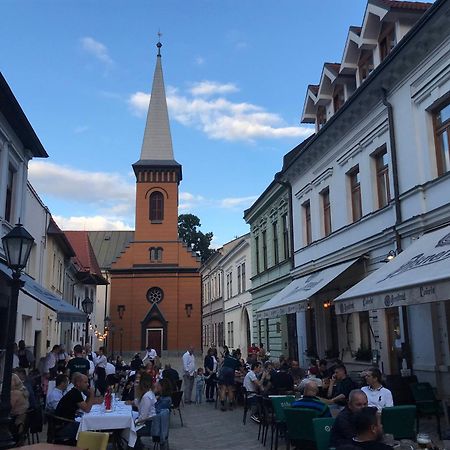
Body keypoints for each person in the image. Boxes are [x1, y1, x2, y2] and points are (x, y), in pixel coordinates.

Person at [55, 372, 102, 443]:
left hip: (64, 423)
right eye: (85, 382)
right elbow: (87, 409)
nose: (88, 384)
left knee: (87, 425)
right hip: (64, 426)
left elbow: (85, 405)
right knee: (88, 428)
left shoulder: (75, 392)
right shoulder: (75, 393)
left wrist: (88, 396)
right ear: (78, 383)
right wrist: (92, 394)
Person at [134, 372, 157, 449]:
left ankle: (135, 446)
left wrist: (135, 422)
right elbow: (138, 404)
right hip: (150, 421)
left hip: (149, 424)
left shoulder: (146, 397)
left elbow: (143, 417)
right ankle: (137, 445)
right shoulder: (148, 393)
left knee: (129, 429)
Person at [10, 373, 30, 445]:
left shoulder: (15, 393)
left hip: (15, 422)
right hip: (23, 421)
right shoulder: (23, 390)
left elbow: (9, 408)